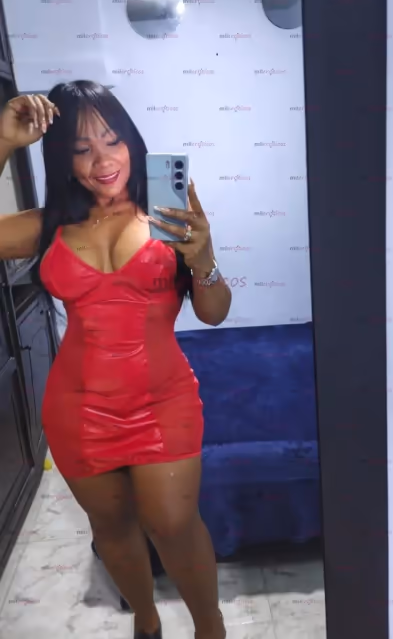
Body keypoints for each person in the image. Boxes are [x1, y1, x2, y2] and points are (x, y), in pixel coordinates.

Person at [0, 81, 231, 639]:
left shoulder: (170, 214)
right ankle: (146, 622)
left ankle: (211, 628)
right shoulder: (47, 225)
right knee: (111, 528)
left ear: (132, 141)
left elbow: (214, 313)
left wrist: (203, 259)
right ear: (63, 158)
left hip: (163, 401)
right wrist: (3, 142)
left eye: (112, 140)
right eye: (82, 149)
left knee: (174, 524)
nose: (102, 161)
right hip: (78, 410)